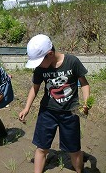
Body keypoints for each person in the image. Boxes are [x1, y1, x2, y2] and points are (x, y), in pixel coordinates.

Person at [18, 34, 91, 173]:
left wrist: (86, 103)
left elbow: (85, 84)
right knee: (41, 147)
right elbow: (35, 88)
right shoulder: (41, 68)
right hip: (47, 112)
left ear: (50, 54)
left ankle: (79, 170)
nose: (38, 65)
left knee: (73, 149)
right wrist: (26, 108)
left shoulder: (72, 62)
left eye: (39, 61)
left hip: (70, 113)